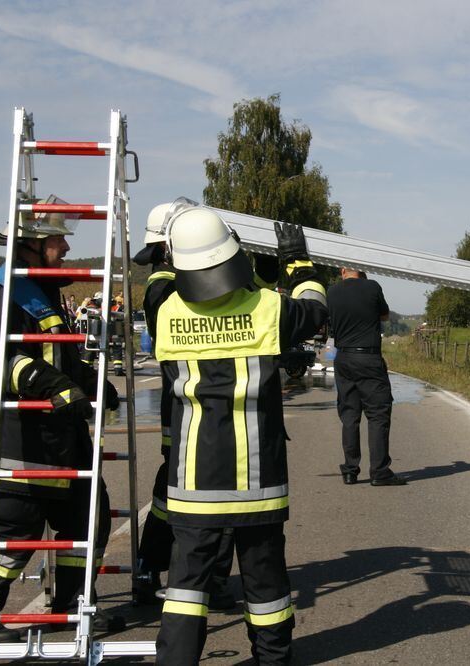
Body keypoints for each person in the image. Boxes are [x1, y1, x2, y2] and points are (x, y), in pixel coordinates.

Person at [153, 207, 327, 665]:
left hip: (192, 478)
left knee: (185, 589)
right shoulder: (268, 308)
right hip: (257, 478)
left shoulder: (167, 312)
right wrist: (298, 265)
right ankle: (272, 659)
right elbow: (315, 310)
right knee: (266, 583)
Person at [0, 202, 121, 641]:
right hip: (22, 441)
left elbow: (57, 350)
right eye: (56, 240)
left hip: (62, 438)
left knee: (89, 517)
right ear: (30, 245)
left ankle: (73, 602)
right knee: (14, 533)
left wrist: (90, 381)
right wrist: (55, 388)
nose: (66, 246)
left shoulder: (41, 290)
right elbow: (0, 359)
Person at [132, 200, 257, 610]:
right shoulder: (167, 285)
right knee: (200, 496)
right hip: (194, 408)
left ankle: (159, 570)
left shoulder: (165, 280)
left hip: (187, 405)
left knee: (176, 494)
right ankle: (194, 577)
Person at [326, 267, 405, 486]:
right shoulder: (372, 287)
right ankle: (379, 472)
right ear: (362, 270)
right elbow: (385, 315)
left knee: (350, 415)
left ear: (343, 270)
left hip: (343, 358)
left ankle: (350, 471)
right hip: (368, 358)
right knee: (378, 414)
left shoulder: (331, 291)